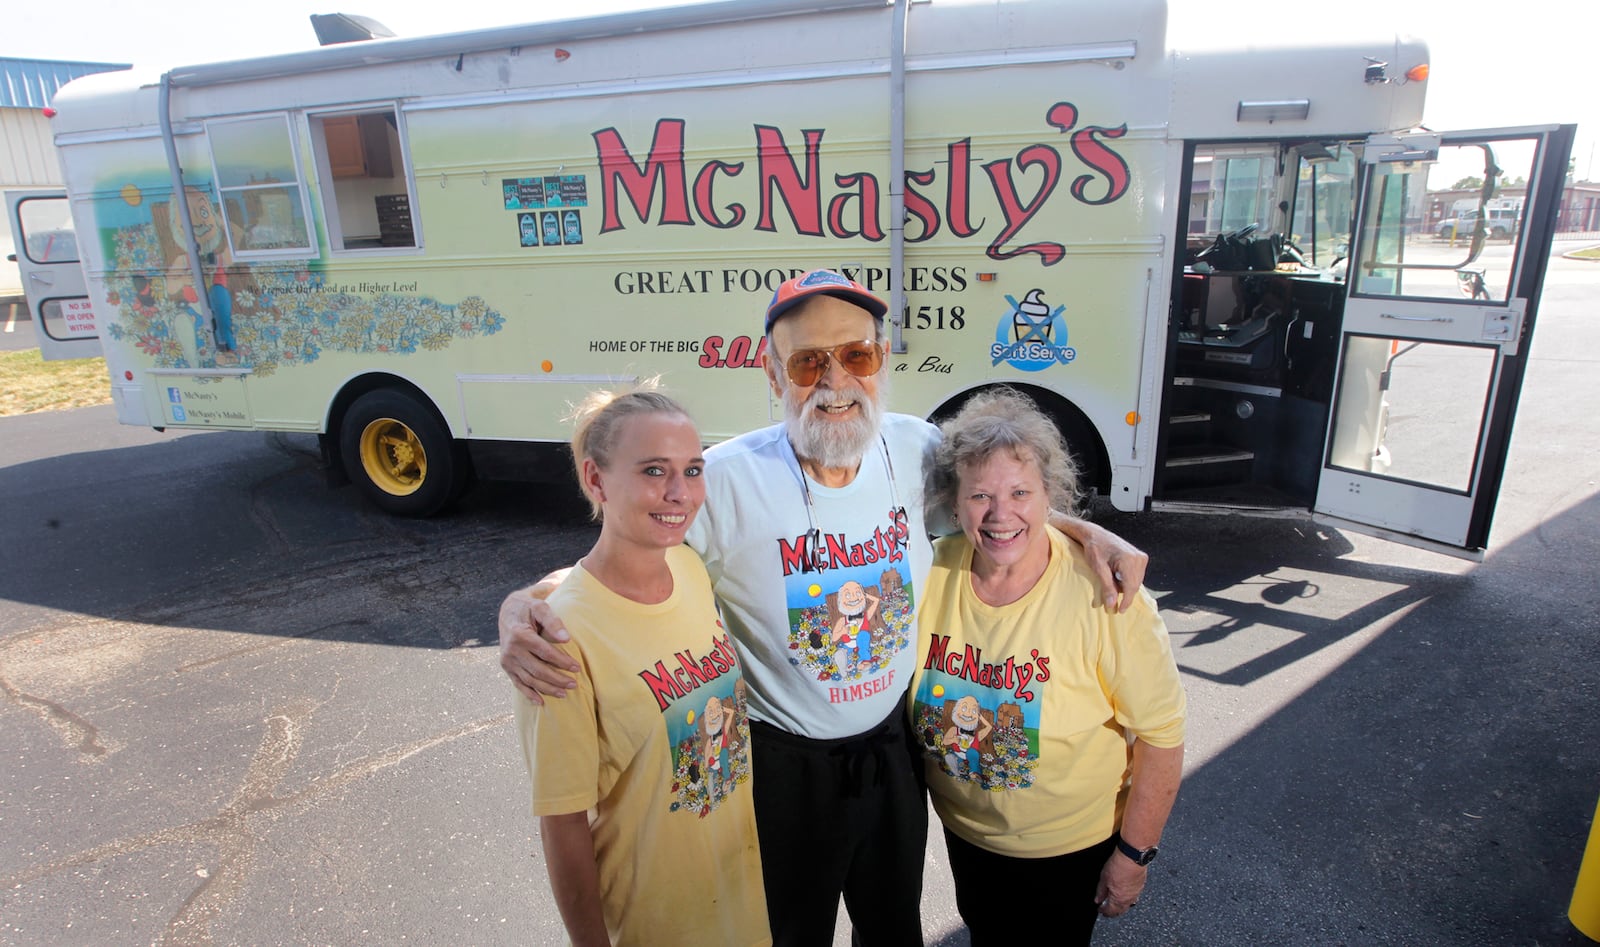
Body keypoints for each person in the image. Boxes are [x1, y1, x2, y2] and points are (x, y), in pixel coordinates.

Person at [500, 269, 1150, 946]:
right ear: (774, 375)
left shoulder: (918, 450)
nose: (835, 380)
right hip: (783, 771)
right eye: (808, 361)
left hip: (893, 755)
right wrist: (524, 603)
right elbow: (619, 555)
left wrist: (1086, 531)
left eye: (856, 355)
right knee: (789, 934)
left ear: (882, 361)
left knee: (894, 931)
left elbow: (1006, 505)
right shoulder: (724, 479)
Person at [909, 387, 1186, 946]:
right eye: (980, 495)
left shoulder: (1104, 594)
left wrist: (1134, 855)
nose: (1000, 514)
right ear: (954, 503)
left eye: (1020, 493)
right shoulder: (931, 568)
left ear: (1048, 495)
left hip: (1066, 854)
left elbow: (1162, 735)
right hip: (967, 837)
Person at [512, 383, 769, 947]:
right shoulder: (559, 637)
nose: (681, 493)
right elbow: (563, 826)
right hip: (654, 923)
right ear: (595, 480)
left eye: (694, 469)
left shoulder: (690, 568)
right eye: (654, 471)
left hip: (739, 902)